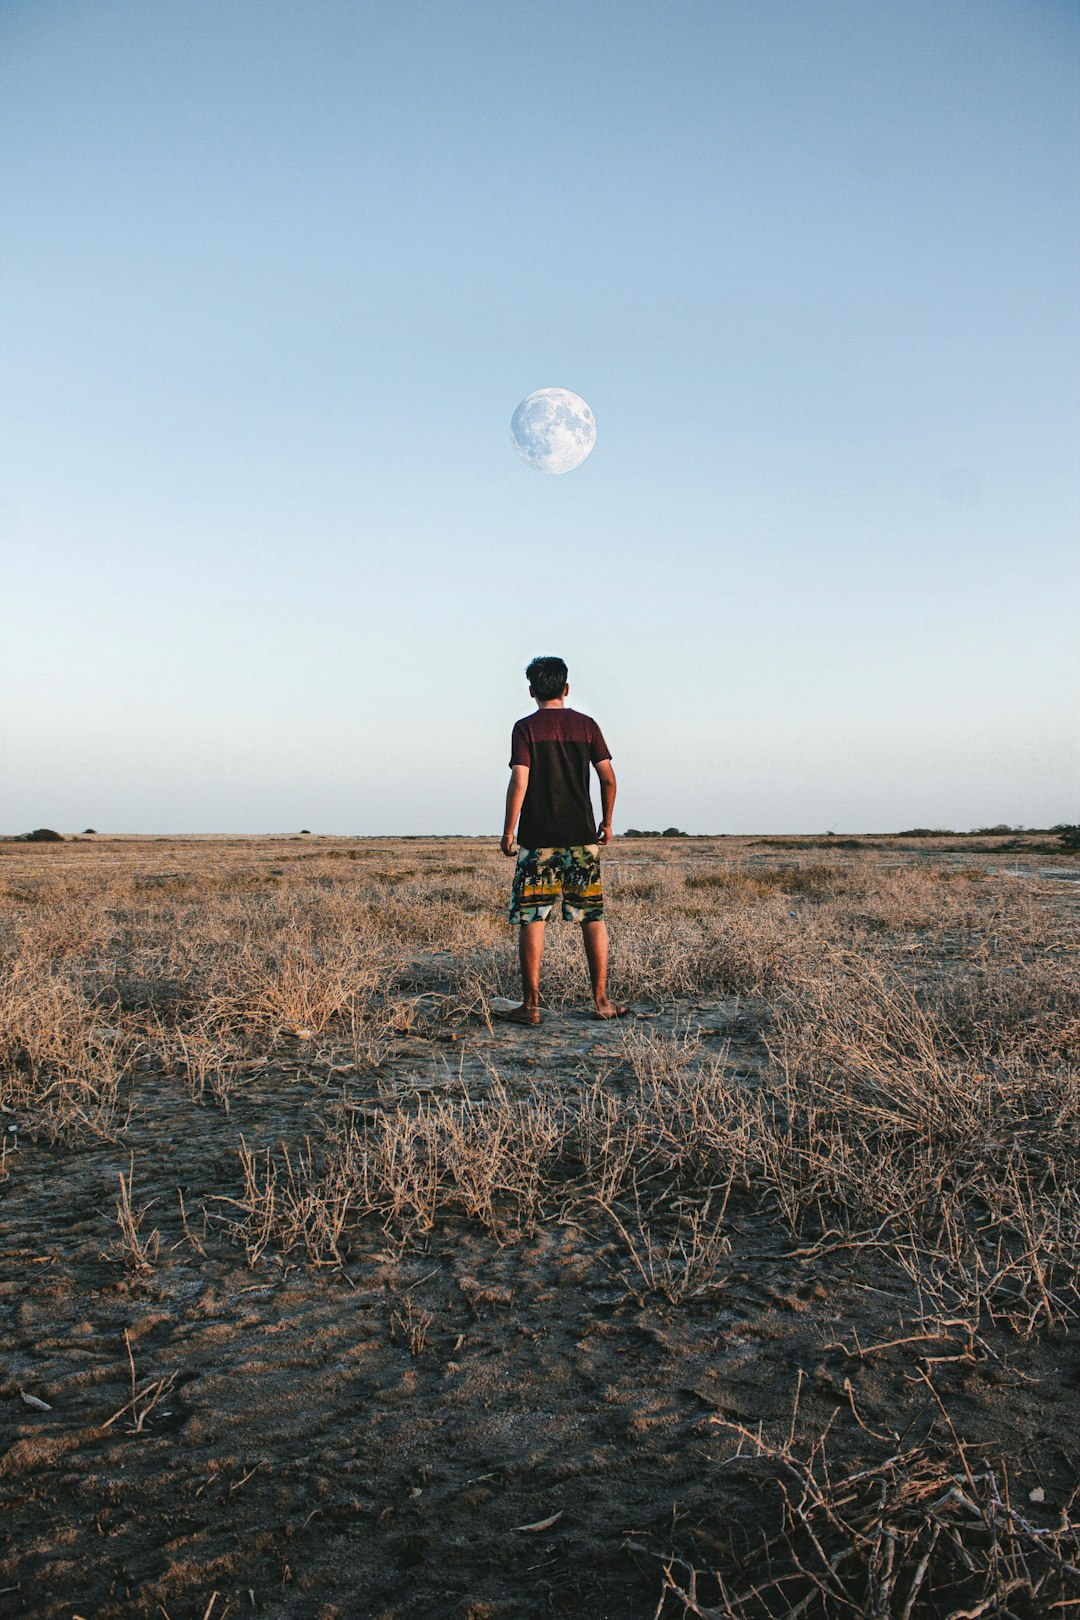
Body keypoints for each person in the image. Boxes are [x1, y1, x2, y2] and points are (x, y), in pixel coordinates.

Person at [496, 655, 628, 1025]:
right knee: (592, 919)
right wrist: (608, 822)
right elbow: (608, 778)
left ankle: (531, 1007)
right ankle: (602, 1002)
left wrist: (509, 830)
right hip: (581, 838)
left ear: (532, 691)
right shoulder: (586, 726)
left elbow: (519, 780)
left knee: (532, 920)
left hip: (537, 841)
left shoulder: (524, 729)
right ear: (566, 689)